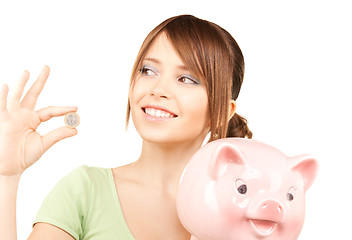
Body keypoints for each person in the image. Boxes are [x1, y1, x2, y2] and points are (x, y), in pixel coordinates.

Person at [0, 14, 252, 240]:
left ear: (222, 113)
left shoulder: (242, 208)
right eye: (148, 70)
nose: (158, 89)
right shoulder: (85, 192)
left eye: (186, 79)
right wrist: (6, 176)